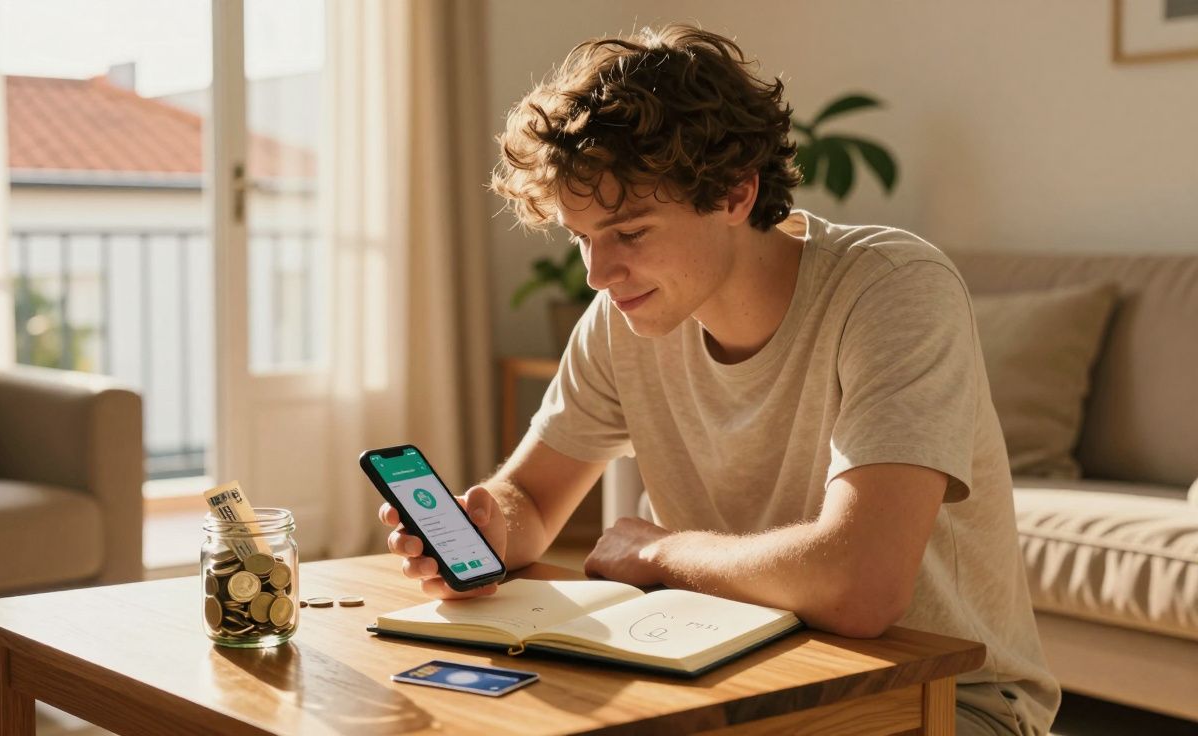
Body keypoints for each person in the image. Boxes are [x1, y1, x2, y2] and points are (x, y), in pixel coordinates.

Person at [377, 24, 1058, 735]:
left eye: (630, 232)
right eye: (582, 238)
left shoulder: (893, 288)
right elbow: (532, 498)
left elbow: (860, 588)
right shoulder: (623, 319)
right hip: (730, 675)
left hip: (944, 701)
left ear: (736, 192)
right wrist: (488, 529)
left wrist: (658, 552)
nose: (597, 274)